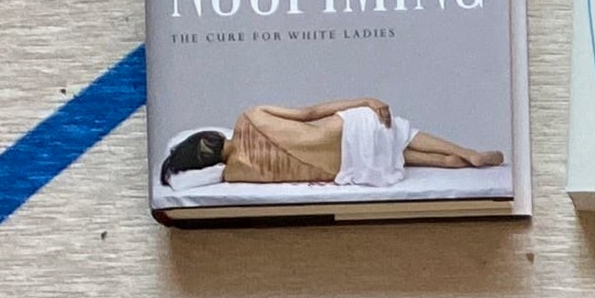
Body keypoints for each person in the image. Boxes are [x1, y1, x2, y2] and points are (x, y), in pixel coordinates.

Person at [161, 99, 503, 190]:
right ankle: (463, 152)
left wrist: (179, 167)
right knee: (399, 135)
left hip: (349, 167)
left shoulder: (236, 174)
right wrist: (365, 101)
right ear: (213, 135)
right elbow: (309, 113)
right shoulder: (250, 116)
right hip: (346, 130)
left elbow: (202, 178)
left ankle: (443, 163)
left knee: (396, 154)